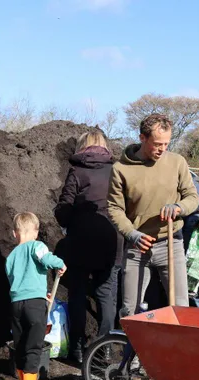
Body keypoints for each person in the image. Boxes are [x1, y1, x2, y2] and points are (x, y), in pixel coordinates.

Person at [107, 114, 199, 318]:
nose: (162, 149)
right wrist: (132, 234)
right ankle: (130, 350)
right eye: (157, 144)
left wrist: (179, 207)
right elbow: (114, 208)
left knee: (181, 308)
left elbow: (193, 197)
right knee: (130, 311)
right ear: (142, 138)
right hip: (138, 248)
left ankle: (177, 350)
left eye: (166, 143)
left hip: (171, 244)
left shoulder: (177, 163)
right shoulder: (121, 169)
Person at [54, 131, 122, 364]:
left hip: (81, 239)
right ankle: (106, 349)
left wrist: (67, 221)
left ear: (83, 146)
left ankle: (77, 348)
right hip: (111, 239)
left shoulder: (77, 171)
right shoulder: (116, 171)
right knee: (106, 295)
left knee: (78, 295)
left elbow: (64, 208)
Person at [6, 213, 66, 380]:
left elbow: (12, 279)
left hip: (16, 304)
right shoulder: (36, 246)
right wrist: (60, 264)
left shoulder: (11, 256)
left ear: (14, 233)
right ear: (36, 232)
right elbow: (46, 259)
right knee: (34, 345)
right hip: (34, 305)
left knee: (21, 344)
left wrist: (40, 294)